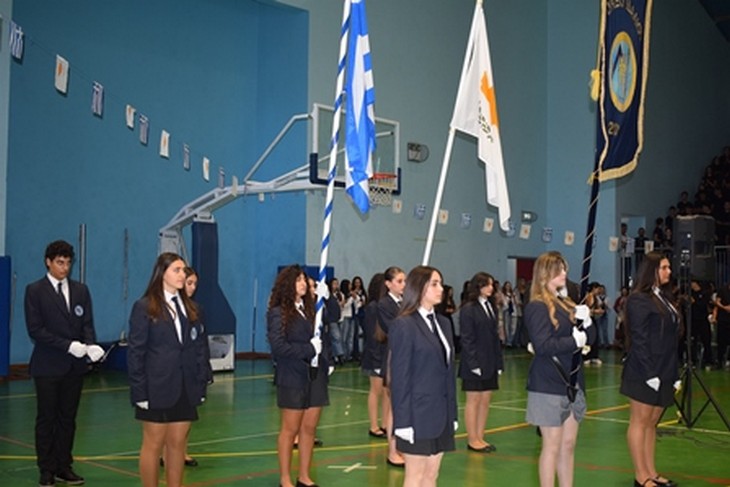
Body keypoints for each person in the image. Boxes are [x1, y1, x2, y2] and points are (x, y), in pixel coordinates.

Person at [24, 239, 105, 487]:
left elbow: (86, 323)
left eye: (68, 263)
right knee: (47, 419)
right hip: (48, 365)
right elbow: (36, 330)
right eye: (60, 263)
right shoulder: (35, 291)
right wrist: (68, 345)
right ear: (48, 262)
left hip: (74, 367)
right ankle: (46, 469)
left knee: (68, 419)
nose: (65, 268)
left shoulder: (81, 290)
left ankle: (63, 466)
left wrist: (90, 345)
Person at [127, 253, 210, 487]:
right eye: (176, 270)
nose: (182, 275)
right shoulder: (144, 307)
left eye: (183, 270)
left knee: (177, 445)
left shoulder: (193, 308)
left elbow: (199, 348)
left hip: (185, 387)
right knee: (153, 446)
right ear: (162, 273)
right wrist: (140, 392)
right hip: (156, 388)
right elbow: (136, 352)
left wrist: (200, 383)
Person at [524, 251, 589, 487]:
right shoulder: (537, 307)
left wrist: (585, 323)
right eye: (559, 269)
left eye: (564, 269)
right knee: (551, 445)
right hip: (548, 383)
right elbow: (543, 345)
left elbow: (584, 338)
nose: (564, 273)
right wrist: (574, 341)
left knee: (568, 445)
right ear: (545, 273)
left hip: (571, 382)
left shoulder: (565, 303)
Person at [390, 265, 457, 487]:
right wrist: (402, 422)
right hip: (417, 416)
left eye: (441, 283)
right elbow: (400, 378)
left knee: (431, 476)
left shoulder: (444, 324)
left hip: (441, 415)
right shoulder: (404, 325)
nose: (441, 289)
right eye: (434, 284)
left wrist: (452, 413)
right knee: (415, 477)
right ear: (419, 288)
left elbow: (448, 373)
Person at [620, 251, 681, 487]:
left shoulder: (663, 297)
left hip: (664, 369)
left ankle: (651, 472)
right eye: (664, 268)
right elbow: (639, 339)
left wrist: (673, 373)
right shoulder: (638, 299)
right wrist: (649, 373)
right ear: (652, 270)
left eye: (669, 267)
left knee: (651, 423)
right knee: (640, 421)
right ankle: (641, 475)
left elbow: (670, 339)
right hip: (643, 371)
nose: (669, 272)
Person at [266, 265, 329, 487]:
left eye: (304, 279)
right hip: (292, 375)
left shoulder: (313, 309)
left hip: (315, 375)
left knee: (309, 429)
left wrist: (327, 299)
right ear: (287, 284)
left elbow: (333, 318)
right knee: (290, 429)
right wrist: (309, 349)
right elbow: (279, 347)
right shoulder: (278, 313)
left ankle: (304, 475)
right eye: (298, 280)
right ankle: (285, 478)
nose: (303, 283)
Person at [458, 272, 503, 453]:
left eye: (492, 285)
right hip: (474, 362)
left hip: (490, 360)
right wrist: (473, 363)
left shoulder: (491, 307)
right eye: (487, 285)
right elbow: (467, 339)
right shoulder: (469, 309)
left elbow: (494, 337)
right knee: (473, 400)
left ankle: (480, 436)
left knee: (485, 400)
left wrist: (498, 362)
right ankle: (472, 439)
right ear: (478, 286)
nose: (491, 288)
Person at [377, 265, 407, 467]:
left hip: (408, 358)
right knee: (394, 407)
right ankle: (392, 450)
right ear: (388, 284)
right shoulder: (384, 305)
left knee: (402, 406)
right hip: (394, 358)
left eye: (405, 281)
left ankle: (401, 446)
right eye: (399, 281)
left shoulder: (406, 302)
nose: (403, 285)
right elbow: (393, 329)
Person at [360, 273, 388, 439]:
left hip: (385, 354)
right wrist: (377, 360)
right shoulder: (373, 307)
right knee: (376, 390)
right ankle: (374, 425)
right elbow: (371, 336)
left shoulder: (386, 306)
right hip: (374, 355)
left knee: (386, 391)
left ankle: (385, 423)